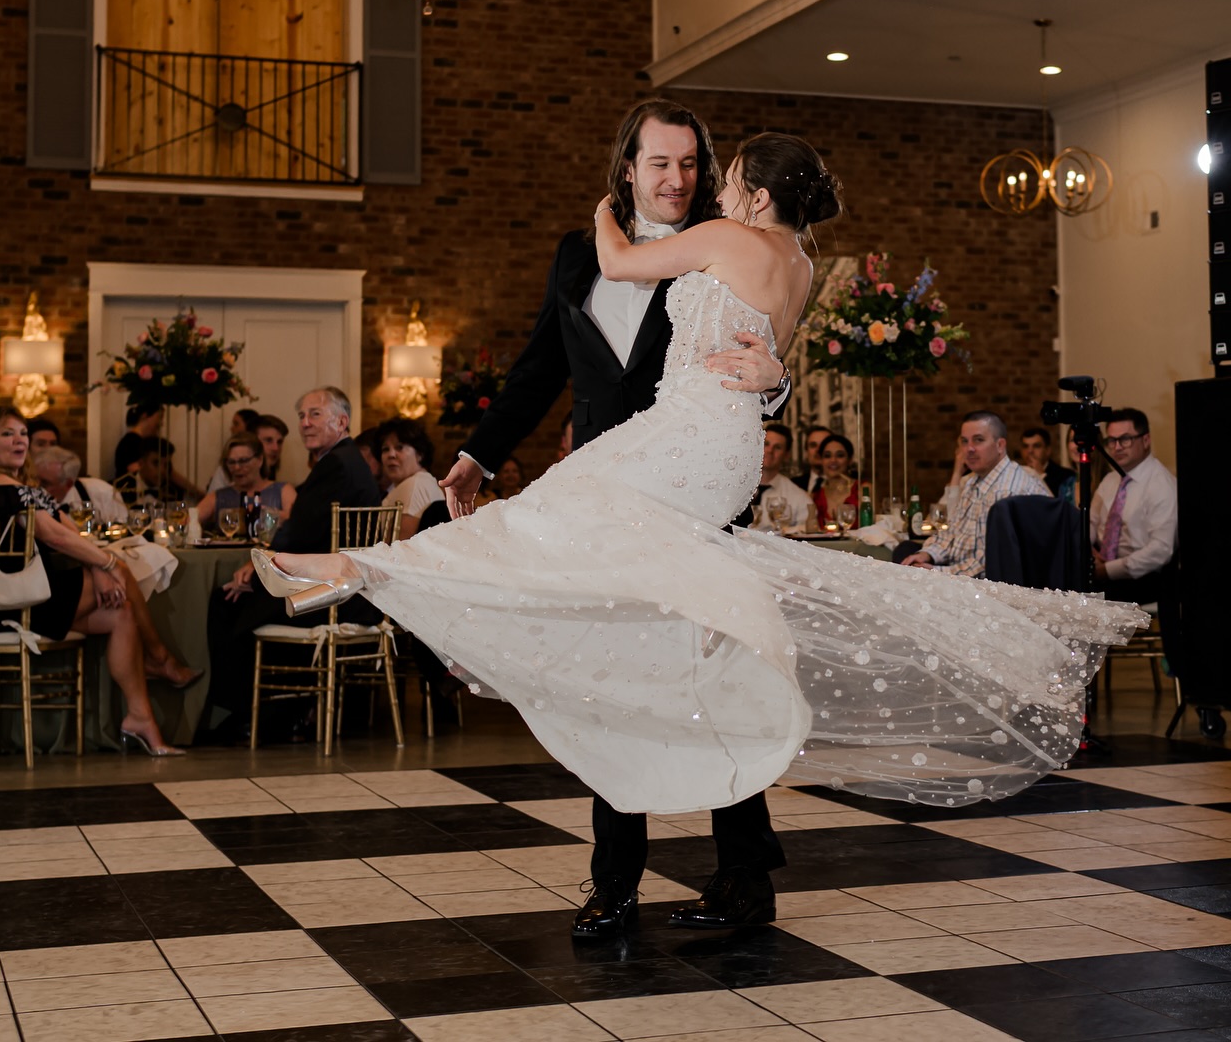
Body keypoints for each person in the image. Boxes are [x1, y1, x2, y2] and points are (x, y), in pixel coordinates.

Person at [262, 131, 1142, 934]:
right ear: (634, 166)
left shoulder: (710, 238)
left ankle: (364, 570)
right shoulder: (779, 256)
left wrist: (758, 362)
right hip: (694, 448)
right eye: (663, 164)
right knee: (610, 629)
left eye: (702, 167)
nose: (690, 180)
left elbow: (697, 311)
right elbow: (539, 370)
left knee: (620, 582)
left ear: (746, 189)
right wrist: (478, 455)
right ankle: (618, 879)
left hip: (681, 452)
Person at [0, 405, 198, 754]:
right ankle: (159, 658)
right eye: (7, 433)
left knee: (122, 613)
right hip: (6, 603)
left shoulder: (18, 486)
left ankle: (140, 718)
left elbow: (70, 531)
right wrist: (108, 564)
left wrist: (97, 567)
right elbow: (55, 537)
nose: (19, 440)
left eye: (23, 433)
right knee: (121, 570)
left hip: (19, 599)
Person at [204, 388, 379, 742]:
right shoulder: (346, 460)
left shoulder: (336, 465)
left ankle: (251, 716)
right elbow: (308, 528)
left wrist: (262, 561)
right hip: (346, 589)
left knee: (226, 602)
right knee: (240, 599)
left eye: (315, 414)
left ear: (341, 422)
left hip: (331, 597)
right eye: (301, 416)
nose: (305, 423)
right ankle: (275, 712)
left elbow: (301, 531)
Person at [900, 412, 1051, 577]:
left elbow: (989, 562)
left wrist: (937, 572)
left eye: (978, 440)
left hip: (989, 584)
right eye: (965, 441)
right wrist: (927, 554)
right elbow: (952, 532)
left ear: (1000, 445)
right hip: (961, 572)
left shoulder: (1008, 491)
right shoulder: (973, 481)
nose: (969, 449)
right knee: (904, 555)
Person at [1090, 408, 1177, 605]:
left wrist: (1108, 570)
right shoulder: (1111, 479)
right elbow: (1091, 521)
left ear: (1146, 440)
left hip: (1141, 578)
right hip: (1101, 567)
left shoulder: (1162, 485)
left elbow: (1161, 549)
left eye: (1125, 439)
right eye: (1112, 441)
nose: (1117, 447)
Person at [197, 434, 293, 534]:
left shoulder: (283, 491)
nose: (237, 467)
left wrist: (276, 517)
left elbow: (298, 523)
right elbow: (190, 521)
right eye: (231, 462)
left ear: (260, 460)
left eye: (243, 461)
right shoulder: (218, 497)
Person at [377, 417, 441, 538]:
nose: (391, 454)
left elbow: (401, 544)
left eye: (399, 447)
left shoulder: (415, 485)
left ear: (420, 454)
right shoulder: (421, 481)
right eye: (385, 449)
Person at [32, 446, 127, 525]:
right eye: (33, 479)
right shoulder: (28, 497)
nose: (35, 486)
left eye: (44, 483)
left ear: (68, 484)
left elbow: (122, 532)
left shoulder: (103, 493)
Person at [747, 422, 813, 530]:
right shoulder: (736, 488)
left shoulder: (798, 498)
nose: (770, 450)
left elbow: (806, 531)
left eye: (777, 447)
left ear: (786, 455)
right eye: (766, 444)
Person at [204, 409, 262, 494]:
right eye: (231, 462)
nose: (231, 428)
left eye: (236, 424)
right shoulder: (224, 470)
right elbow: (215, 495)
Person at [810, 432, 858, 529]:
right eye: (827, 456)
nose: (833, 460)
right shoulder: (815, 496)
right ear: (821, 460)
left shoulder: (862, 489)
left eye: (840, 455)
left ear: (850, 459)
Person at [1019, 426, 1074, 496]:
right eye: (1025, 446)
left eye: (1036, 446)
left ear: (1048, 450)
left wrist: (1040, 475)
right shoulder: (1017, 474)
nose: (1030, 451)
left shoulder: (1065, 476)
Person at [791, 424, 831, 494]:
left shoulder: (849, 485)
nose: (818, 450)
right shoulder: (792, 485)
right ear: (806, 452)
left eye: (824, 445)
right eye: (813, 445)